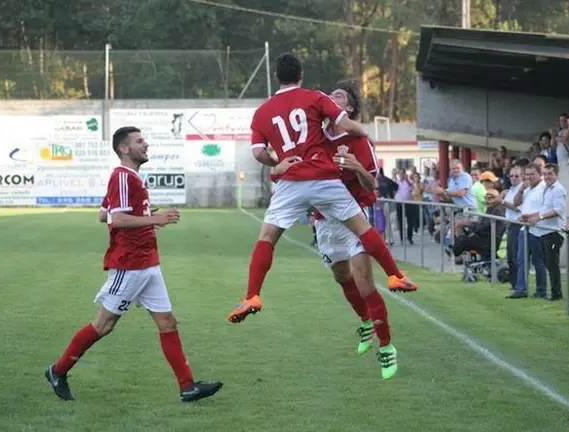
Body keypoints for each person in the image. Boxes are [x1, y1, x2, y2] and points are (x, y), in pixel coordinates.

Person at [227, 53, 417, 324]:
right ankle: (395, 275)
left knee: (267, 237)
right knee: (362, 227)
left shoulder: (262, 112)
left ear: (276, 77)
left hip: (291, 181)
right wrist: (363, 132)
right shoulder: (314, 97)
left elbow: (258, 153)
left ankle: (252, 295)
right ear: (301, 75)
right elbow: (346, 125)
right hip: (322, 177)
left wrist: (278, 163)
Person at [45, 127, 223, 403]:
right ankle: (57, 371)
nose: (146, 145)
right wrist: (154, 219)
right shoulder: (122, 177)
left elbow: (103, 214)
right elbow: (116, 219)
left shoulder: (131, 177)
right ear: (124, 149)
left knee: (167, 323)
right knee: (104, 325)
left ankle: (187, 387)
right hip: (129, 264)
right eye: (140, 141)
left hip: (148, 262)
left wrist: (146, 215)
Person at [277, 83, 406, 379]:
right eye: (330, 95)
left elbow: (372, 185)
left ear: (348, 109)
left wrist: (357, 167)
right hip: (325, 221)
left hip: (355, 218)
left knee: (365, 283)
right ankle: (365, 321)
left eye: (340, 96)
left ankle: (386, 347)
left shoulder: (358, 139)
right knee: (341, 277)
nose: (332, 98)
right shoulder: (314, 137)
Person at [524, 164, 566, 301]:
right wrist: (530, 216)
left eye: (550, 174)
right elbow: (544, 210)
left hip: (554, 231)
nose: (547, 177)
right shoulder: (546, 189)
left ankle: (556, 294)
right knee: (548, 263)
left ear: (556, 175)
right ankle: (554, 292)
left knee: (552, 264)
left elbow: (557, 210)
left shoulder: (558, 189)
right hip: (544, 231)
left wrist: (539, 217)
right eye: (545, 174)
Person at [507, 164, 546, 299]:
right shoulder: (527, 188)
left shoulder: (544, 188)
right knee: (521, 259)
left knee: (537, 260)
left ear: (539, 174)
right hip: (524, 228)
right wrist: (521, 190)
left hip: (538, 228)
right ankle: (520, 289)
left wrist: (529, 217)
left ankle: (541, 290)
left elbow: (545, 209)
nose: (529, 177)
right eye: (527, 174)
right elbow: (516, 203)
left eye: (532, 174)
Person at [501, 166, 524, 291]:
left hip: (517, 224)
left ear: (522, 177)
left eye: (516, 176)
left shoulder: (523, 190)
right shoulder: (511, 189)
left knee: (515, 256)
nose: (513, 178)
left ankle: (519, 285)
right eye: (511, 176)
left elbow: (516, 208)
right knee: (510, 256)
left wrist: (503, 202)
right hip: (510, 224)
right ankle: (514, 283)